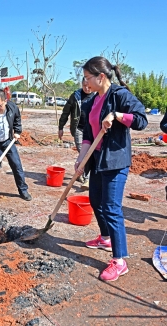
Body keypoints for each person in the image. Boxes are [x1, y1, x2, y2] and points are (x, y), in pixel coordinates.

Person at [75, 56, 148, 282]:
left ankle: (119, 260)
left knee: (111, 207)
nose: (85, 82)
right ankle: (105, 237)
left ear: (101, 76)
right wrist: (81, 158)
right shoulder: (90, 102)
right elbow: (88, 134)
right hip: (97, 161)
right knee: (96, 201)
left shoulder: (119, 95)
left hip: (115, 162)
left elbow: (141, 120)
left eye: (88, 77)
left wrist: (117, 116)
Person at [58, 78, 94, 190]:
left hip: (92, 129)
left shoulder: (96, 96)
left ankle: (83, 174)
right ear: (81, 84)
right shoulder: (76, 96)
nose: (87, 88)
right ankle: (86, 178)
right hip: (78, 129)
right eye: (84, 86)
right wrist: (60, 127)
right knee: (82, 152)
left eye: (89, 86)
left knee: (88, 153)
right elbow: (65, 112)